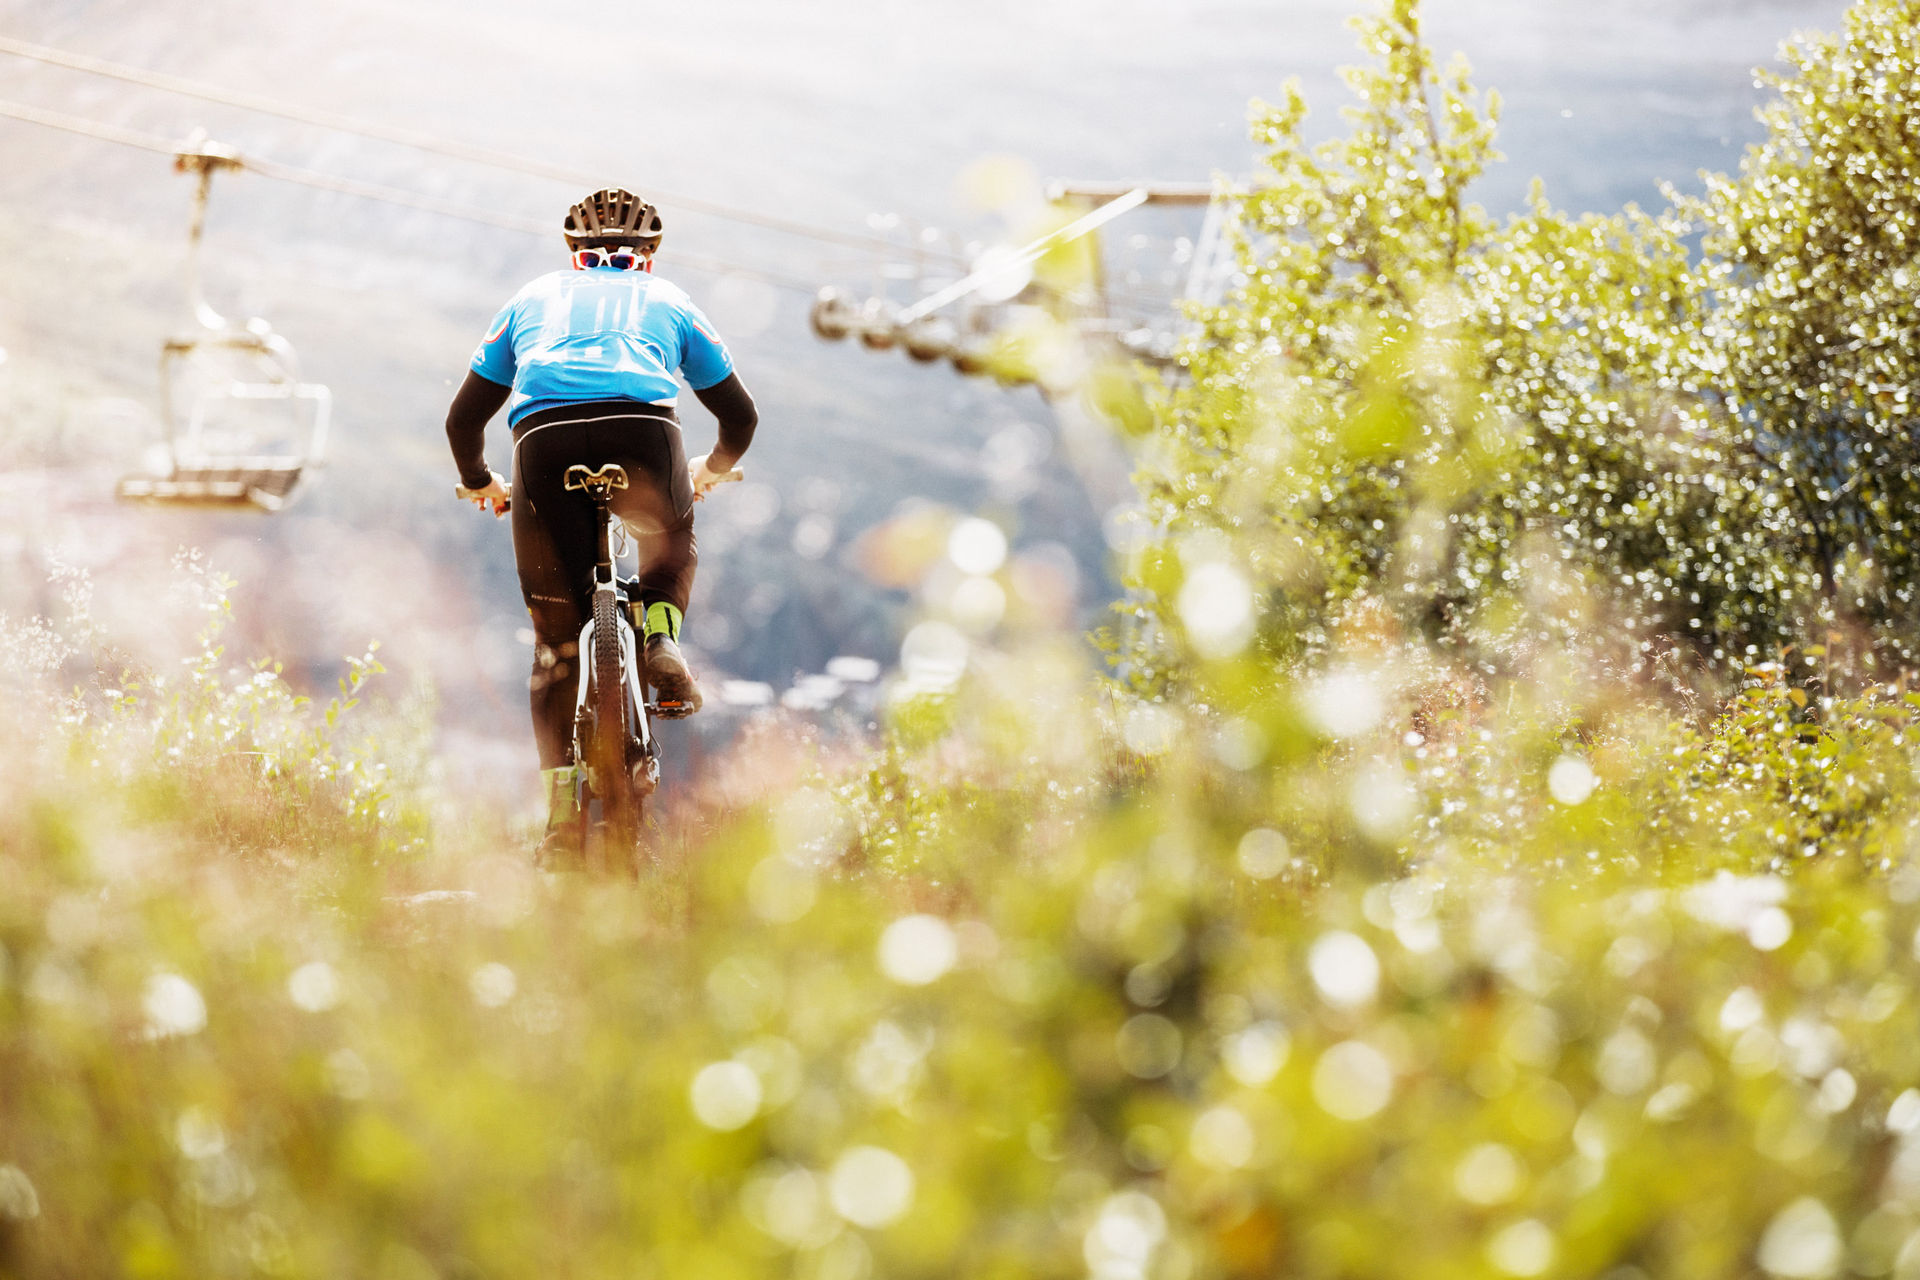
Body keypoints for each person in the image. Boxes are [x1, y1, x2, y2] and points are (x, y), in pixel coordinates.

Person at [444, 187, 758, 853]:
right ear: (647, 256)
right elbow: (741, 417)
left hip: (543, 440)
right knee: (668, 548)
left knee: (555, 649)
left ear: (574, 255)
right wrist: (710, 468)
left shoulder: (532, 299)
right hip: (643, 433)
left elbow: (462, 420)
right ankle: (662, 640)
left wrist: (480, 482)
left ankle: (561, 819)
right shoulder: (671, 302)